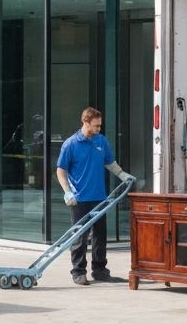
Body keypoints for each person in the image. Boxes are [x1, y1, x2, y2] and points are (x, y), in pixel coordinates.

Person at [56, 106, 132, 286]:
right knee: (80, 237)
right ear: (85, 122)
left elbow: (109, 162)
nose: (98, 129)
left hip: (99, 197)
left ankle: (100, 270)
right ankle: (78, 272)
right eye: (96, 126)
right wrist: (67, 192)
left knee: (100, 235)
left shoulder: (101, 141)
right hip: (79, 198)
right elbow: (61, 170)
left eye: (100, 126)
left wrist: (122, 174)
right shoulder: (71, 144)